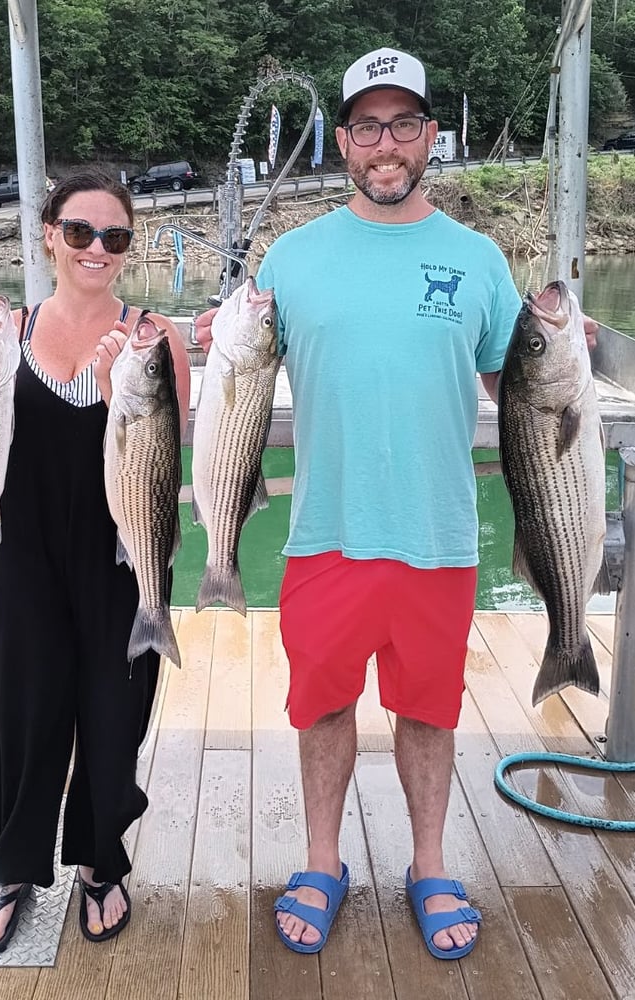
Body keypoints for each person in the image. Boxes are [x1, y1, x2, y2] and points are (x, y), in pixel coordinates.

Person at [196, 47, 599, 960]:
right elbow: (240, 372)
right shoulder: (290, 260)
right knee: (323, 707)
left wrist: (581, 366)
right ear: (343, 140)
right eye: (368, 125)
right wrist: (204, 343)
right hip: (326, 532)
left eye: (404, 125)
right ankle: (322, 859)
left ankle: (428, 863)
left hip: (438, 534)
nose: (387, 144)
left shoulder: (478, 259)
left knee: (428, 710)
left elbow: (524, 384)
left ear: (429, 139)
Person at [0, 169, 190, 953]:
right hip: (22, 555)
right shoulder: (7, 334)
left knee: (109, 714)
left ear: (128, 249)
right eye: (81, 232)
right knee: (18, 714)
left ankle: (100, 860)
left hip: (118, 556)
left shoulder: (152, 338)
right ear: (50, 236)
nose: (97, 248)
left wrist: (111, 387)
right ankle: (12, 862)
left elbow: (161, 464)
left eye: (115, 237)